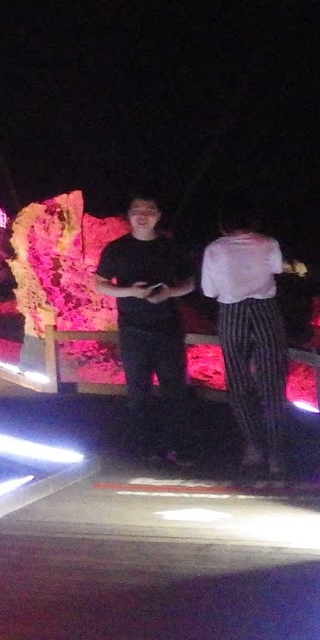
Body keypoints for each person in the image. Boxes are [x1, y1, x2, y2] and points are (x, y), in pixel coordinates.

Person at [92, 195, 196, 463]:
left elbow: (190, 282)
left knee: (175, 389)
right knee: (138, 389)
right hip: (132, 328)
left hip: (168, 327)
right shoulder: (116, 248)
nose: (142, 214)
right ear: (128, 215)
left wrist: (170, 292)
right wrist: (130, 292)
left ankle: (178, 446)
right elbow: (100, 283)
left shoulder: (170, 247)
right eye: (137, 209)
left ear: (158, 215)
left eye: (149, 210)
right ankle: (146, 447)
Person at [200, 202, 292, 476]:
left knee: (238, 381)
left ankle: (253, 446)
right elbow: (276, 269)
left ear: (222, 224)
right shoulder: (268, 243)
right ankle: (277, 454)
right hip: (266, 311)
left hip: (232, 312)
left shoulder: (215, 249)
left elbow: (209, 291)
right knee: (273, 380)